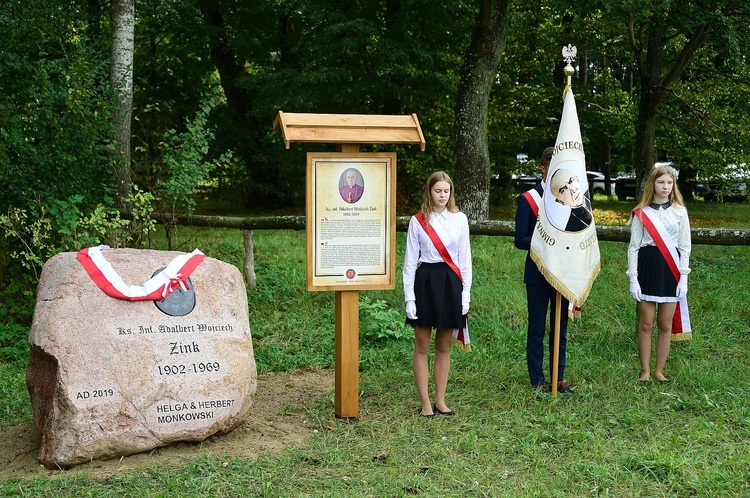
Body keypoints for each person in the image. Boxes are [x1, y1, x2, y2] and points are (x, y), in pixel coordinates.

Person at [403, 171, 472, 418]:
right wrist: (409, 298)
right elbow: (410, 263)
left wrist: (466, 296)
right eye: (437, 191)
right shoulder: (418, 221)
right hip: (426, 282)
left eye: (446, 191)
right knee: (422, 345)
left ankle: (440, 400)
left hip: (451, 284)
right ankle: (425, 404)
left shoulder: (460, 219)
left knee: (443, 345)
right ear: (429, 192)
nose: (442, 196)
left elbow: (465, 261)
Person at [514, 147, 573, 393]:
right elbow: (520, 239)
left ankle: (557, 378)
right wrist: (546, 241)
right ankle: (537, 380)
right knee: (537, 328)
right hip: (537, 273)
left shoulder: (570, 199)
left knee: (560, 329)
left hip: (562, 273)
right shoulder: (528, 199)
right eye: (552, 168)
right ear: (543, 169)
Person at [627, 165, 691, 382]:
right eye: (661, 182)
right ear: (653, 183)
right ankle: (644, 371)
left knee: (665, 324)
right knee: (646, 323)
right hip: (647, 267)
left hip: (670, 270)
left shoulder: (680, 212)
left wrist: (683, 277)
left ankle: (658, 371)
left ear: (674, 185)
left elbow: (685, 247)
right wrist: (633, 278)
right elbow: (634, 247)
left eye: (669, 183)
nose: (665, 186)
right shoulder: (641, 213)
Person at [548, 167, 592, 231]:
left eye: (571, 181)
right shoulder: (571, 228)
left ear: (577, 179)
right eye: (563, 190)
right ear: (561, 202)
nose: (572, 190)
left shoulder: (592, 201)